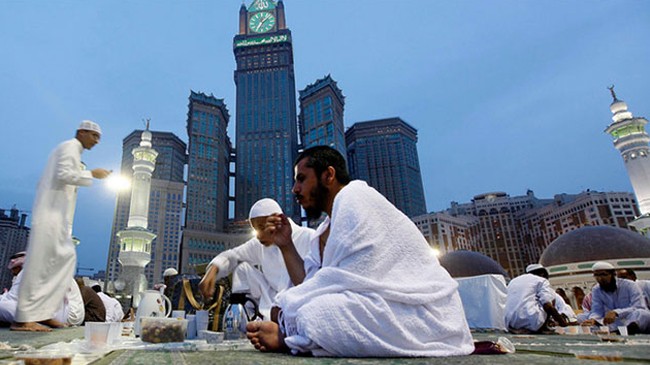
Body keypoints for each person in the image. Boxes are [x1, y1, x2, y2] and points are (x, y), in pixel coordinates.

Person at [246, 146, 474, 357]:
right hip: (378, 304)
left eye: (302, 179)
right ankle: (297, 334)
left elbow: (348, 278)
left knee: (311, 315)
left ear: (328, 175)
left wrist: (288, 311)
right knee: (300, 309)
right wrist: (286, 245)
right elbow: (312, 283)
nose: (295, 189)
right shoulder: (324, 229)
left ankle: (288, 338)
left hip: (422, 311)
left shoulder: (355, 199)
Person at [12, 120, 111, 332]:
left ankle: (43, 313)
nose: (96, 141)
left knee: (62, 263)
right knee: (39, 267)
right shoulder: (69, 148)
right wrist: (92, 174)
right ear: (82, 132)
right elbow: (63, 174)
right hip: (50, 215)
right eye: (94, 136)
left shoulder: (74, 151)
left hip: (57, 216)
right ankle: (23, 318)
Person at [198, 198, 313, 319]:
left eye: (262, 227)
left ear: (279, 220)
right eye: (255, 229)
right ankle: (247, 317)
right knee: (242, 268)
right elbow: (232, 256)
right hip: (271, 302)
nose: (258, 235)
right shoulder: (260, 244)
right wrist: (213, 270)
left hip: (301, 305)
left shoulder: (308, 237)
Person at [1, 253, 84, 327]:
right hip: (71, 315)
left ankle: (42, 321)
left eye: (14, 268)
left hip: (67, 315)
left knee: (3, 307)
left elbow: (12, 300)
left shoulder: (30, 270)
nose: (12, 272)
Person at [582, 262, 650, 334]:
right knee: (582, 317)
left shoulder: (630, 285)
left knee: (641, 313)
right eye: (596, 275)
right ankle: (616, 332)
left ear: (613, 274)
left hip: (631, 318)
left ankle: (625, 331)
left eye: (603, 275)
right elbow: (597, 310)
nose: (600, 278)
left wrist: (617, 312)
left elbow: (638, 306)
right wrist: (593, 319)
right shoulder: (596, 289)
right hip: (613, 321)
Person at [505, 264, 568, 333]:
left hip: (510, 323)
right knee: (551, 294)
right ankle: (544, 328)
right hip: (532, 322)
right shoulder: (542, 280)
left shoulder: (514, 280)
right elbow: (547, 304)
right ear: (543, 274)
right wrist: (561, 322)